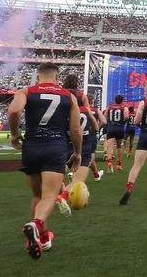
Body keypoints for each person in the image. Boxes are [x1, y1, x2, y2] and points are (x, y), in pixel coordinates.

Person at [7, 63, 82, 260]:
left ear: (38, 76)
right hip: (55, 146)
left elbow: (14, 111)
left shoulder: (26, 90)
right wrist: (78, 153)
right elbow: (75, 130)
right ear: (57, 76)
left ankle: (43, 238)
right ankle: (37, 224)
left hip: (31, 146)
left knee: (36, 196)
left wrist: (15, 135)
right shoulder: (69, 96)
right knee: (50, 195)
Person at [56, 74, 100, 215]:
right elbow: (96, 126)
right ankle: (62, 197)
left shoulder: (61, 100)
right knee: (78, 179)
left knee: (59, 172)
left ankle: (62, 188)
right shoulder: (85, 105)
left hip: (63, 141)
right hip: (83, 143)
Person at [104, 95, 129, 173]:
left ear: (115, 100)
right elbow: (126, 117)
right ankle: (118, 164)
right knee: (118, 146)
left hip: (111, 127)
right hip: (120, 128)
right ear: (122, 100)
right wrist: (124, 121)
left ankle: (109, 162)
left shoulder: (109, 107)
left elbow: (105, 117)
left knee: (109, 146)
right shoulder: (124, 108)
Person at [87, 94, 107, 181]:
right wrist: (97, 128)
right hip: (91, 134)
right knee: (91, 155)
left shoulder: (80, 109)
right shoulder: (95, 110)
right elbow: (104, 121)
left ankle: (96, 175)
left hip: (81, 134)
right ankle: (76, 173)